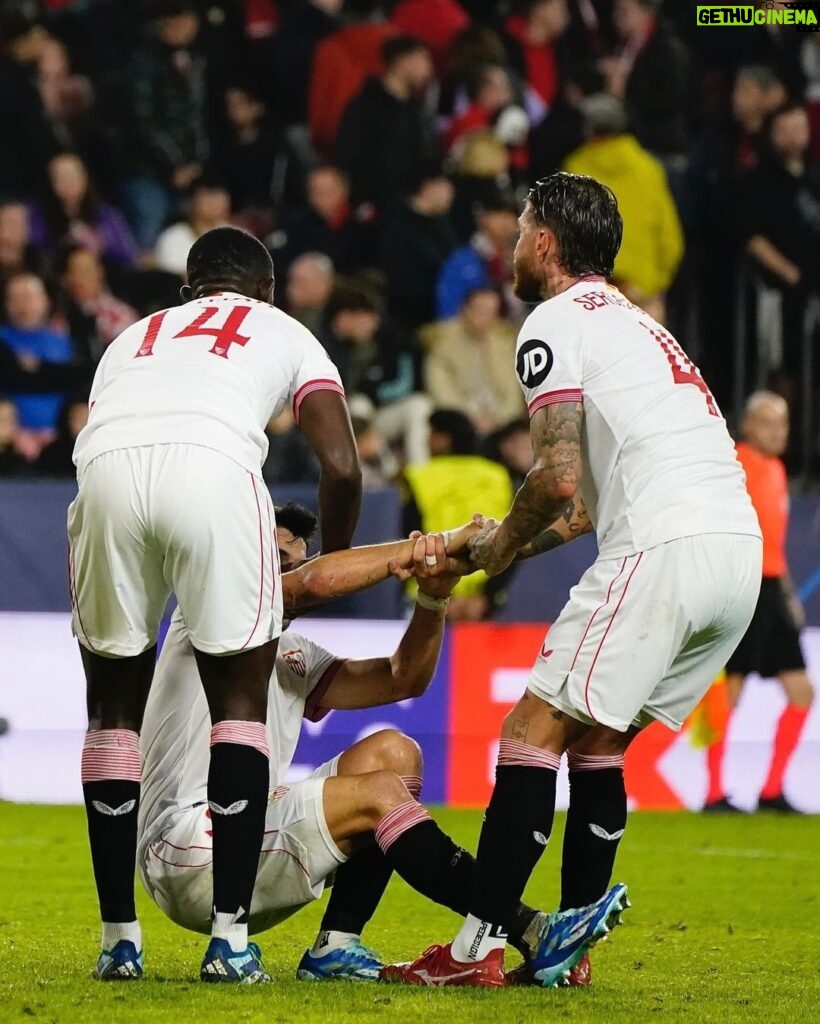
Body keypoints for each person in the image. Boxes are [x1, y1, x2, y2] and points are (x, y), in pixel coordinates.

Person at [385, 172, 763, 988]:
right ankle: (569, 957)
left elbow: (554, 477)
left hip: (660, 549)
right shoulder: (640, 326)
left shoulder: (553, 321)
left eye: (520, 233)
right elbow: (584, 505)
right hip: (735, 556)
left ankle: (474, 952)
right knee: (599, 743)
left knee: (529, 731)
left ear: (545, 243)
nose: (513, 249)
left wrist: (492, 549)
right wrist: (506, 548)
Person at [67, 226, 362, 984]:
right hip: (215, 470)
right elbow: (340, 464)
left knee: (111, 715)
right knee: (238, 705)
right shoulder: (286, 330)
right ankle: (228, 941)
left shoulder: (131, 335)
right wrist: (328, 557)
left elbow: (105, 421)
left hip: (102, 472)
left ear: (185, 291)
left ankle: (117, 940)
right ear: (264, 292)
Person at [704, 392, 815, 814]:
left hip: (772, 590)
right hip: (740, 586)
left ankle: (772, 790)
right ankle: (714, 792)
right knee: (728, 690)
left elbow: (775, 542)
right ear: (747, 425)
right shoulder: (734, 463)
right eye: (769, 423)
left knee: (802, 691)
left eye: (783, 424)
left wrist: (788, 594)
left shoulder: (777, 469)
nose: (778, 432)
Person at [564, 94, 683, 323]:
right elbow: (671, 238)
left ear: (588, 129)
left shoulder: (575, 168)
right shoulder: (649, 168)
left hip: (590, 293)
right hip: (642, 291)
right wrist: (655, 284)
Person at [403, 409, 514, 621]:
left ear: (442, 439)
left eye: (430, 436)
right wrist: (486, 597)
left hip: (429, 593)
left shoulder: (419, 476)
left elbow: (408, 538)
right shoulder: (498, 475)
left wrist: (436, 594)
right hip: (482, 601)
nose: (427, 443)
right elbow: (510, 538)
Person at [334, 34, 440, 211]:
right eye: (424, 60)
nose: (429, 69)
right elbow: (349, 158)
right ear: (403, 62)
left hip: (415, 209)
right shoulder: (364, 108)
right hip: (377, 214)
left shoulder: (418, 111)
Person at [422, 288, 523, 434]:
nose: (486, 317)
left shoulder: (504, 343)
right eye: (480, 310)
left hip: (499, 420)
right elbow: (440, 389)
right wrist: (472, 417)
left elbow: (513, 394)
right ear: (464, 310)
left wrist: (496, 419)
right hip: (460, 416)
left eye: (492, 312)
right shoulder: (442, 341)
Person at [1, 271, 75, 458]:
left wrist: (36, 370)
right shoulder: (3, 340)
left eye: (29, 297)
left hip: (61, 437)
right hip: (10, 437)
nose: (23, 305)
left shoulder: (64, 341)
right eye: (15, 298)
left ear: (45, 300)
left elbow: (75, 379)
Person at [28, 152, 137, 267]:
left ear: (84, 178)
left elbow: (128, 256)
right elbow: (35, 250)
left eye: (73, 176)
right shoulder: (37, 215)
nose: (68, 182)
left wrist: (101, 244)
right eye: (62, 177)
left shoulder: (105, 214)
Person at [435, 194, 519, 320]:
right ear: (481, 218)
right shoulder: (461, 263)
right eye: (497, 213)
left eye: (510, 214)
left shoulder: (523, 258)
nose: (505, 221)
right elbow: (448, 313)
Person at [154, 179, 232, 278]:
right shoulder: (172, 237)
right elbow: (173, 281)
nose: (214, 203)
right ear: (190, 202)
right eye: (207, 197)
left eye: (218, 197)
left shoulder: (240, 236)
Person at [285, 252, 335, 336]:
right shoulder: (286, 316)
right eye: (291, 281)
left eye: (301, 282)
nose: (291, 289)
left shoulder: (340, 322)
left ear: (323, 285)